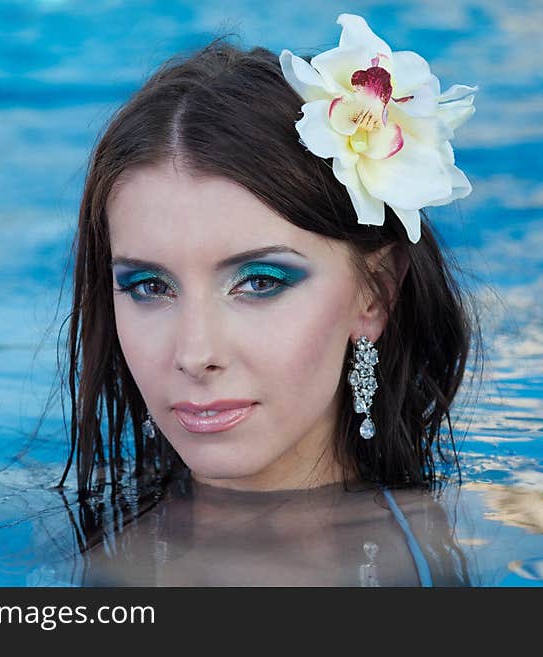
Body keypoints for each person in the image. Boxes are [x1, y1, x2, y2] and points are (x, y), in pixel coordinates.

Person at [55, 13, 482, 586]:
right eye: (149, 287)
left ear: (374, 295)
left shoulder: (473, 536)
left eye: (260, 281)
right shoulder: (68, 530)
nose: (194, 352)